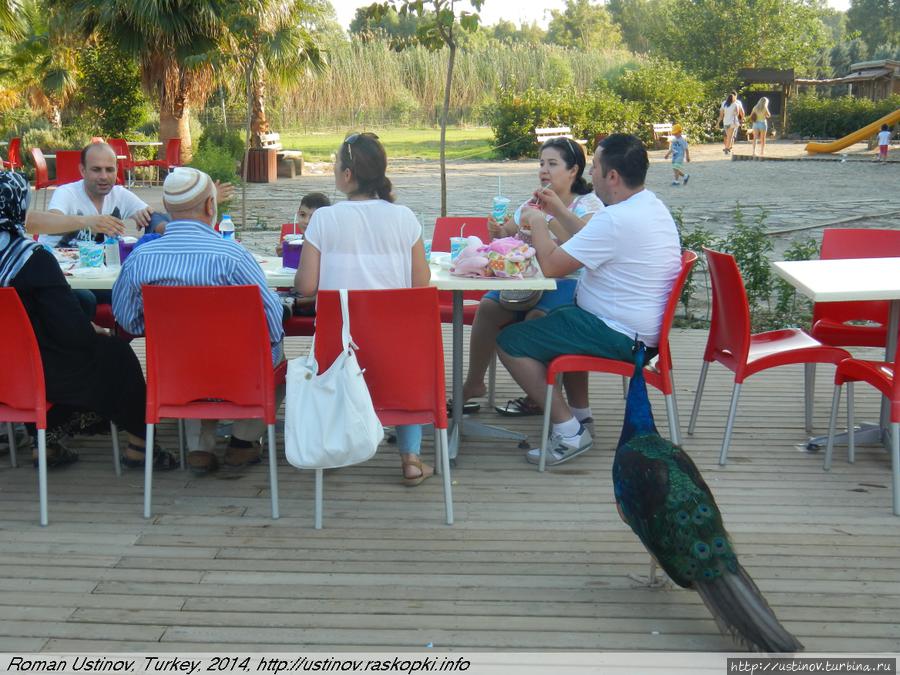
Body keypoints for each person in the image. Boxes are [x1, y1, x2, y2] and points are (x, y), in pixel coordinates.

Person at [496, 134, 681, 466]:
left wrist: (539, 221)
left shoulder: (616, 219)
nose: (590, 172)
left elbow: (552, 265)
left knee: (510, 341)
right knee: (565, 315)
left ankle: (568, 432)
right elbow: (589, 237)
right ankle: (581, 417)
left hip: (621, 334)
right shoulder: (648, 205)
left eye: (595, 166)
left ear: (612, 177)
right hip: (639, 329)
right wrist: (558, 210)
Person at [112, 167, 285, 476]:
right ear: (210, 206)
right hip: (237, 372)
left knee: (186, 353)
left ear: (167, 207)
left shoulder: (140, 258)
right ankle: (242, 444)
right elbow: (271, 322)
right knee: (277, 355)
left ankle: (199, 450)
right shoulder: (233, 256)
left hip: (177, 373)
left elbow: (127, 320)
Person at [0, 171, 176, 470]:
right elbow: (72, 334)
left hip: (7, 370)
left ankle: (45, 442)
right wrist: (93, 328)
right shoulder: (32, 259)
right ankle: (140, 446)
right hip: (36, 371)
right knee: (116, 353)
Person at [295, 132, 433, 486]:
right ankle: (411, 458)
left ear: (346, 176)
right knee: (405, 353)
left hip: (341, 351)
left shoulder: (325, 219)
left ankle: (337, 445)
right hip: (395, 354)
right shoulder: (404, 218)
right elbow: (420, 283)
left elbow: (306, 287)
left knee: (344, 342)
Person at [459, 137, 605, 419]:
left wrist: (547, 218)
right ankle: (474, 382)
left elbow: (580, 244)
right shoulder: (533, 201)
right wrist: (498, 231)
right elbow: (507, 234)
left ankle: (538, 396)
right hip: (527, 281)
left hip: (569, 281)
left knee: (537, 318)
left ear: (573, 170)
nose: (544, 170)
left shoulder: (588, 205)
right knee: (488, 308)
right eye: (541, 163)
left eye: (552, 164)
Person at [275, 192, 331, 256]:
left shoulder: (329, 246)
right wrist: (284, 255)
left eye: (313, 217)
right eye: (302, 215)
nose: (306, 221)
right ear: (298, 214)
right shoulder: (297, 242)